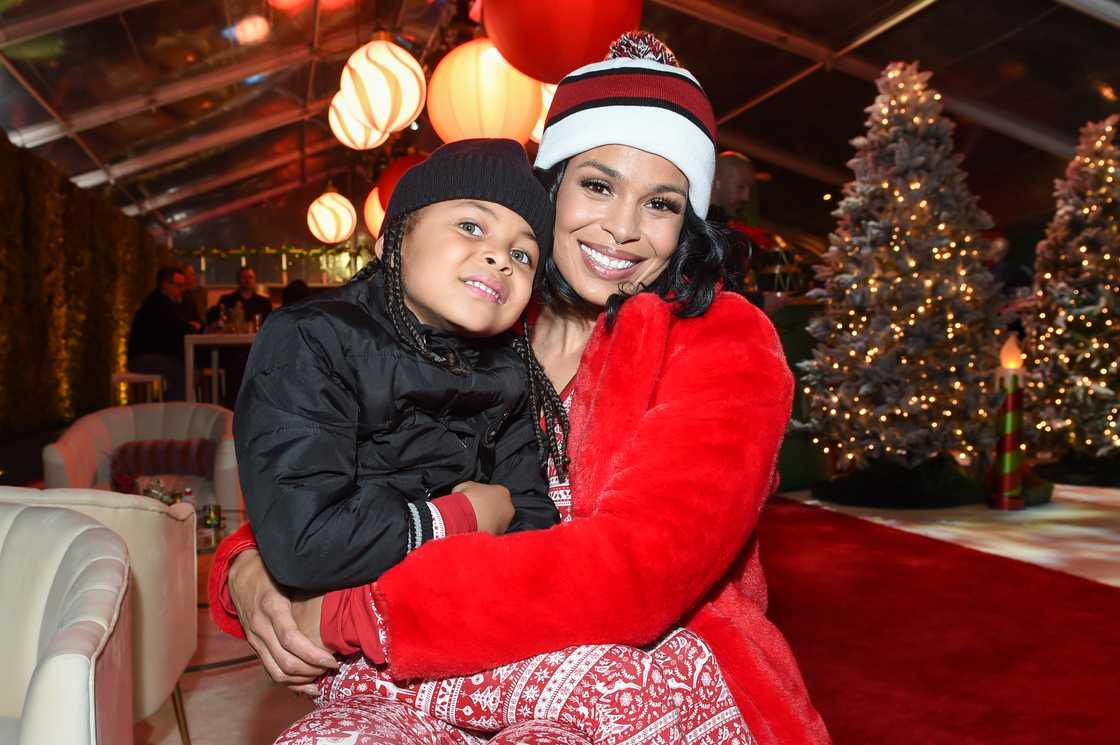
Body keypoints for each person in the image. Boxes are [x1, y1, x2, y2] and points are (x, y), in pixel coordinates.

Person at [211, 32, 830, 745]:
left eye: (661, 203)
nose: (624, 228)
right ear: (553, 185)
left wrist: (367, 610)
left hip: (635, 673)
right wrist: (250, 568)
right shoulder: (484, 305)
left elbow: (638, 573)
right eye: (598, 184)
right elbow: (327, 466)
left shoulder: (722, 337)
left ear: (686, 222)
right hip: (423, 675)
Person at [236, 138, 561, 596]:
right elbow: (305, 542)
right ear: (393, 240)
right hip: (345, 630)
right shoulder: (313, 340)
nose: (499, 259)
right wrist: (464, 518)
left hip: (463, 604)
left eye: (522, 254)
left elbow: (532, 519)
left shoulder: (510, 371)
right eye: (470, 226)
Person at [127, 265, 198, 400]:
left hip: (149, 356)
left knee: (189, 370)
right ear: (165, 285)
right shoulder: (158, 304)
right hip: (143, 359)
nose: (182, 290)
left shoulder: (163, 301)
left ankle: (173, 410)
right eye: (178, 285)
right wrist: (193, 327)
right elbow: (177, 330)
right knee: (187, 372)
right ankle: (173, 413)